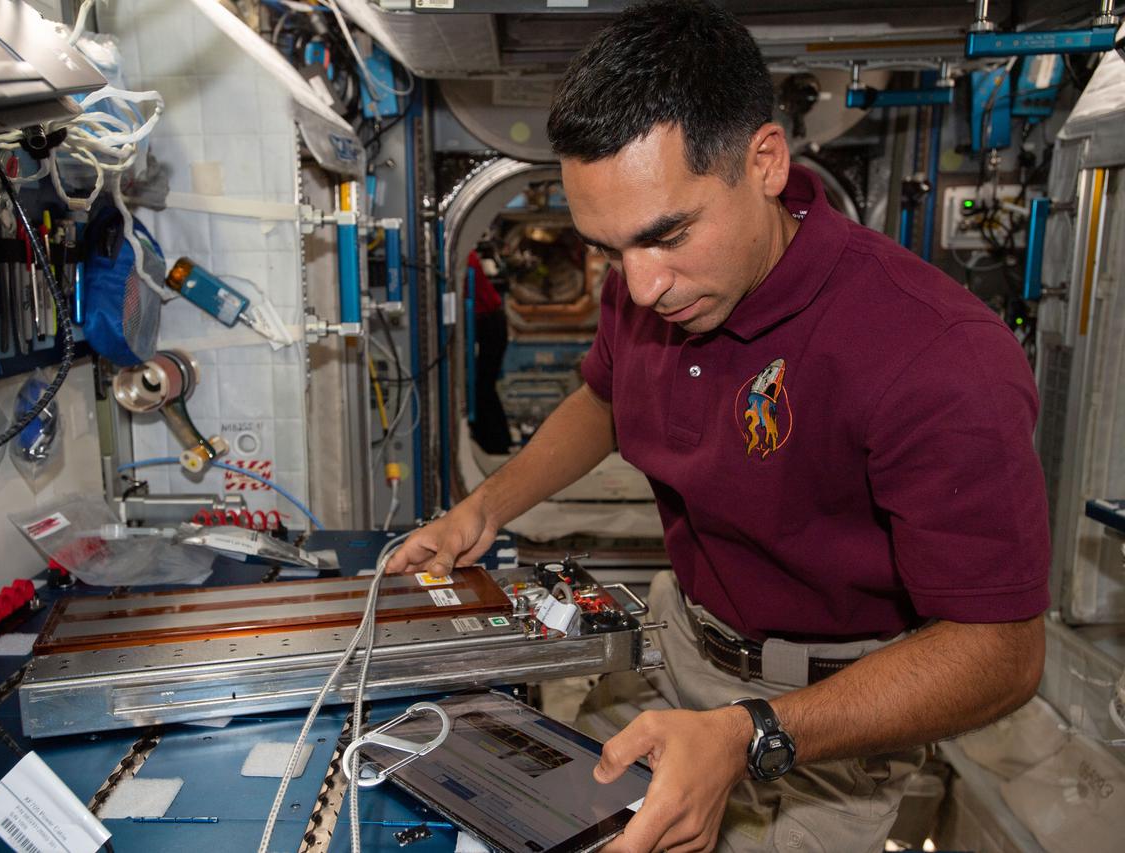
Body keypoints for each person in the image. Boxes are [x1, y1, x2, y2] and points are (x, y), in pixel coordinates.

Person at [386, 2, 1050, 851]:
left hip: (830, 714)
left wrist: (752, 733)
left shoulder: (934, 353)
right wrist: (486, 506)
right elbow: (604, 399)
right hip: (678, 651)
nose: (642, 284)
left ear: (764, 161)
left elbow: (1001, 652)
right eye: (611, 247)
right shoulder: (648, 284)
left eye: (667, 235)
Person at [466, 248, 511, 454]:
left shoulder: (464, 256)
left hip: (489, 323)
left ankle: (496, 442)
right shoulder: (467, 254)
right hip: (489, 322)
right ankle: (497, 440)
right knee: (483, 385)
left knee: (482, 385)